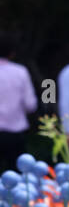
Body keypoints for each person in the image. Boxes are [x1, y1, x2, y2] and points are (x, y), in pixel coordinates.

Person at [0, 33, 37, 172]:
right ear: (12, 53)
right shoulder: (20, 72)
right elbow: (30, 105)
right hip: (15, 133)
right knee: (17, 179)